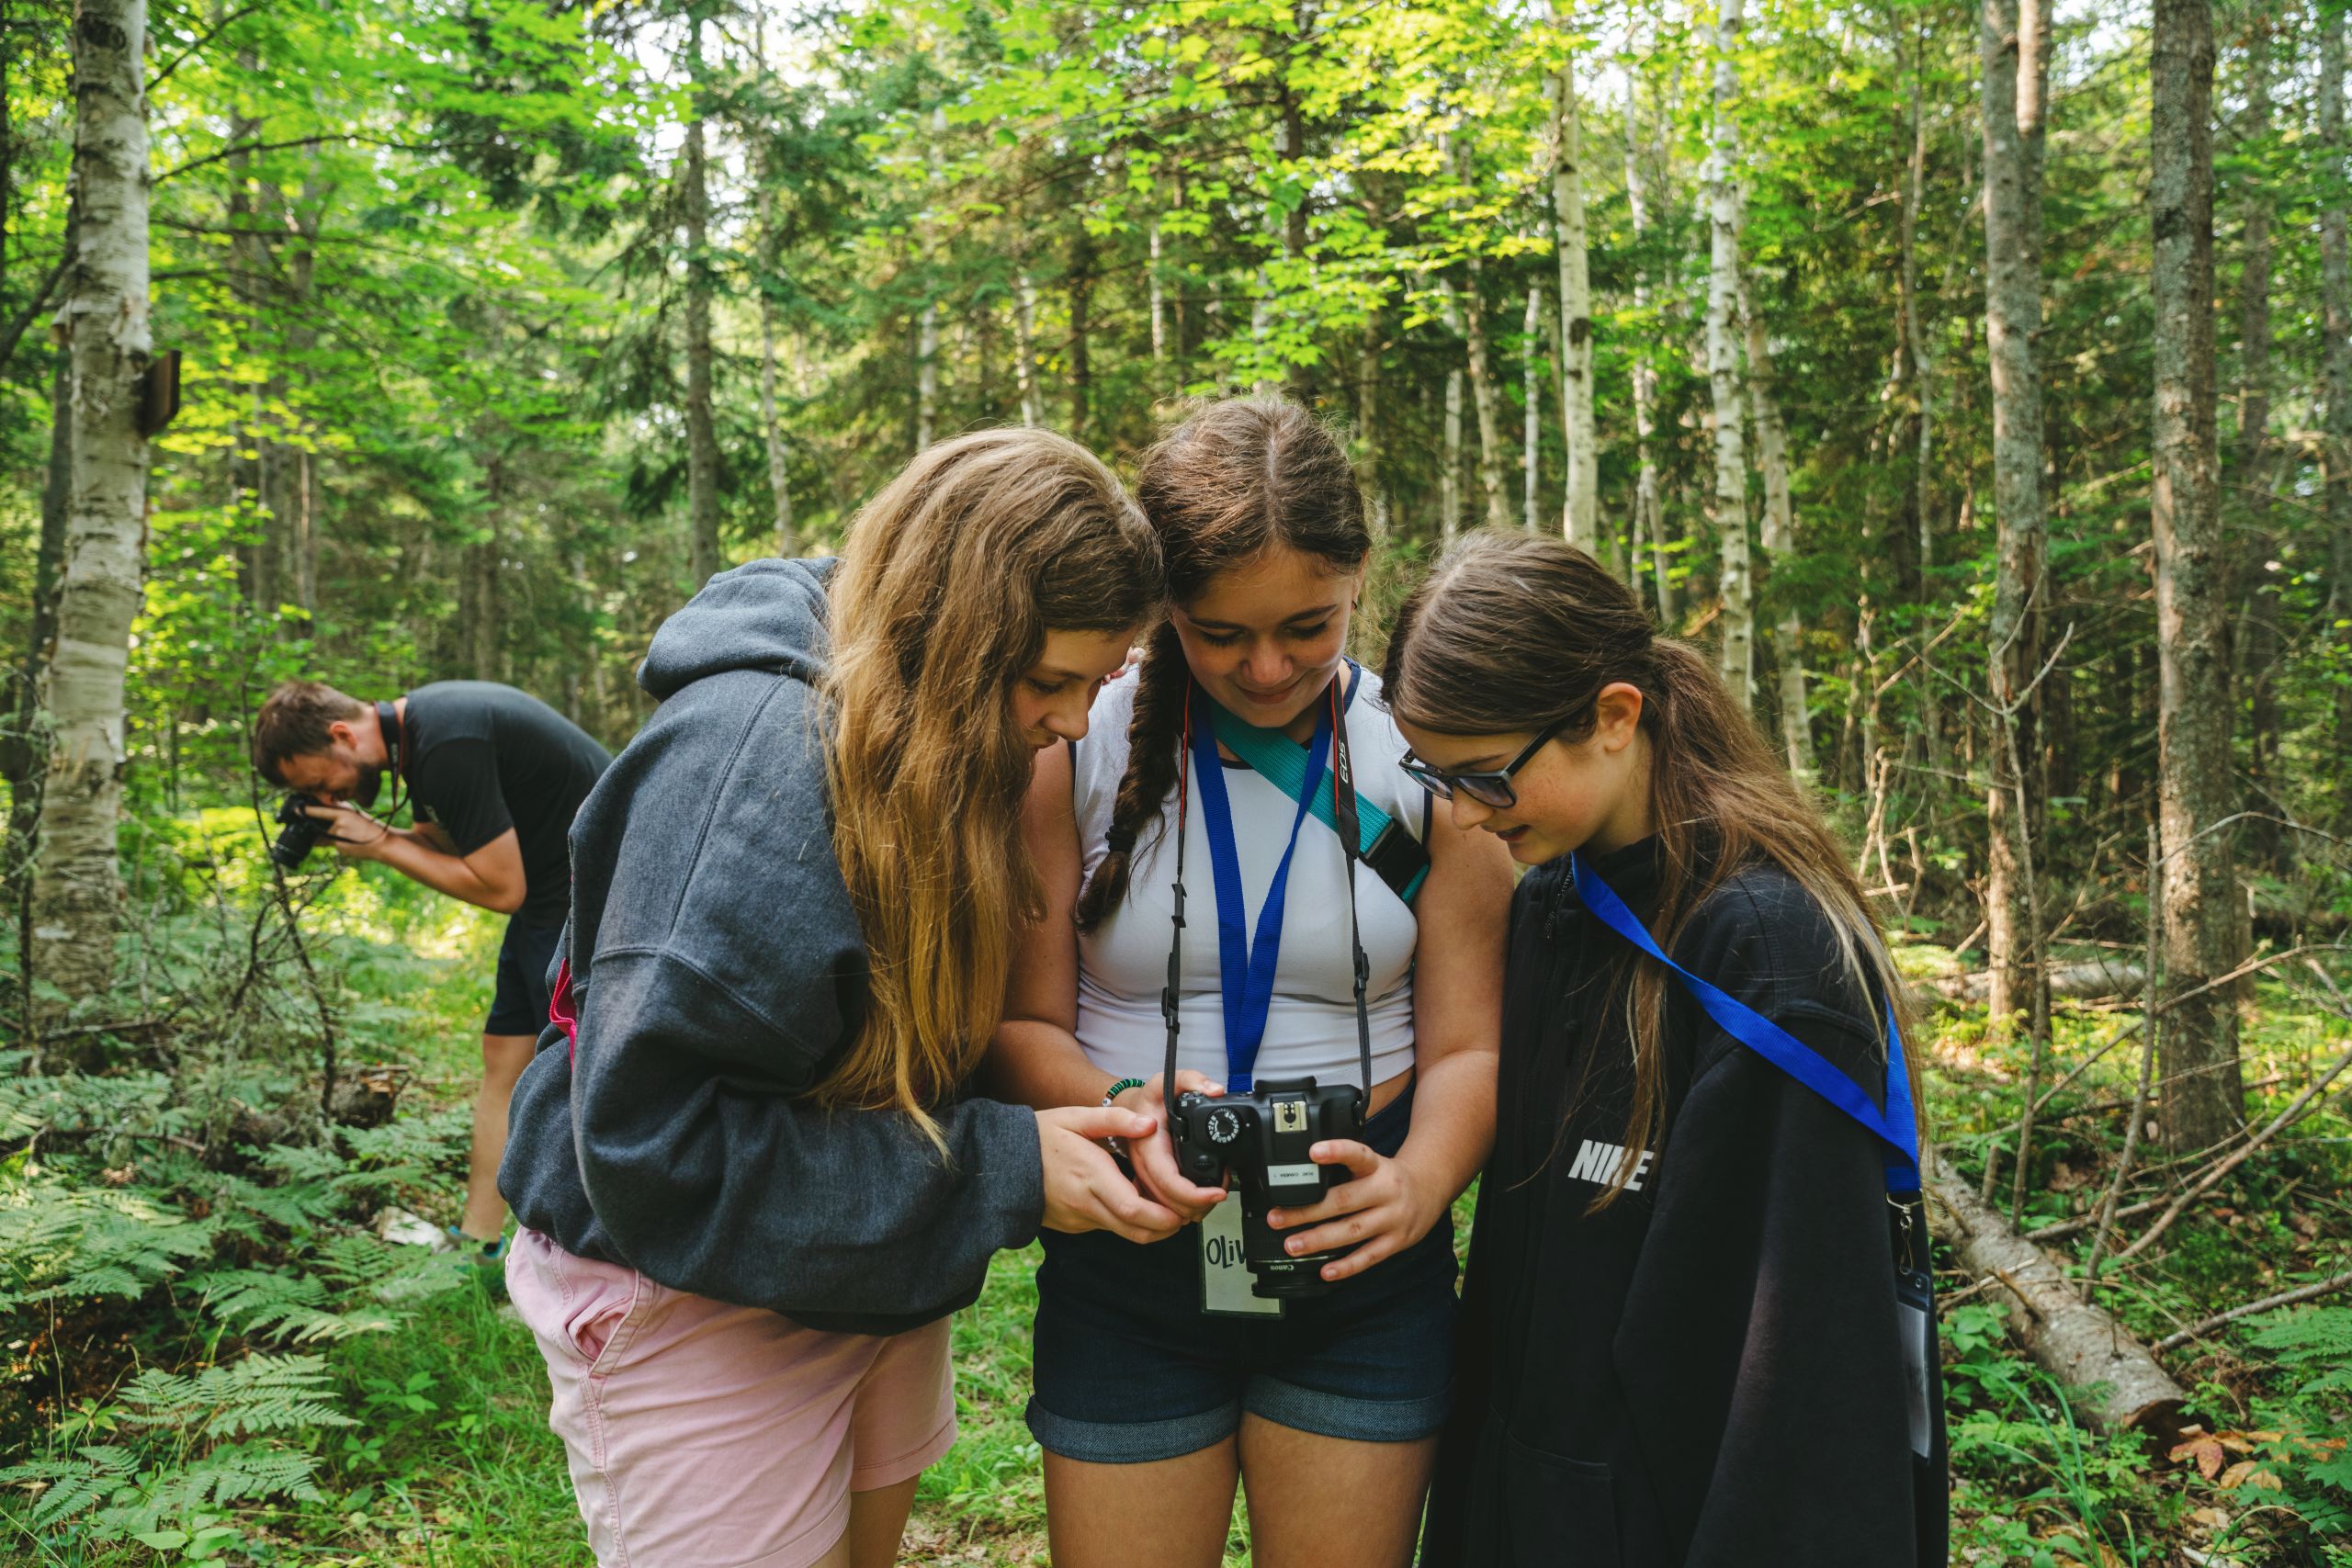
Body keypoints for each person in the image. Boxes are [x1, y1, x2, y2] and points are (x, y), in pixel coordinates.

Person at [496, 427, 1187, 1568]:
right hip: (683, 1297)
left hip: (853, 1265)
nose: (1070, 723)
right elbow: (651, 1147)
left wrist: (1087, 1113)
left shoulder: (925, 730)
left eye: (1099, 682)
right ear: (954, 637)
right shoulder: (750, 773)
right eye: (1049, 683)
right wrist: (1005, 1170)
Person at [989, 399, 1515, 1568]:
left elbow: (1471, 1044)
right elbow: (1021, 1024)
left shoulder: (1420, 757)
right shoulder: (1079, 738)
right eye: (1218, 632)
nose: (1265, 667)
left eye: (1306, 627)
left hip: (1359, 1261)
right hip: (1132, 1243)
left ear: (1359, 580)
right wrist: (1128, 1099)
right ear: (1160, 604)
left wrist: (1419, 1188)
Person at [1384, 530, 1950, 1568]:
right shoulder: (1556, 903)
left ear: (1612, 717)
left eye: (1487, 778)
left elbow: (1801, 1378)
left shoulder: (1766, 955)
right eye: (1437, 777)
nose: (1462, 816)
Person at [252, 676, 611, 1256]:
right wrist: (377, 834)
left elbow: (499, 887)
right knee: (504, 1058)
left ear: (342, 735)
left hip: (593, 901)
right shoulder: (420, 734)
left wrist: (380, 846)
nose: (334, 796)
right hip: (552, 899)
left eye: (324, 782)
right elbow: (444, 844)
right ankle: (478, 1244)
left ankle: (592, 1245)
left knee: (579, 1074)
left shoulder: (446, 742)